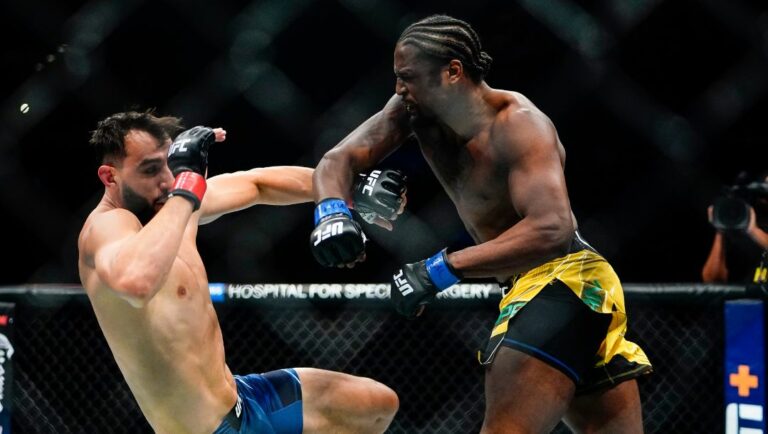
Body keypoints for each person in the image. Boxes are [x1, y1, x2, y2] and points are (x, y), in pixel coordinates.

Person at [309, 15, 652, 433]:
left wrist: (440, 268)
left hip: (564, 281)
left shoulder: (520, 124)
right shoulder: (413, 113)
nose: (399, 90)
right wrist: (331, 213)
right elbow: (337, 160)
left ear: (452, 72)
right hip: (548, 290)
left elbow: (552, 227)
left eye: (409, 78)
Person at [77, 110, 402, 434]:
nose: (167, 180)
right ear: (110, 176)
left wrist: (348, 190)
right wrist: (188, 185)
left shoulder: (175, 204)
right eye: (150, 169)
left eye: (170, 164)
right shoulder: (107, 226)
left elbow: (257, 184)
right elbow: (136, 283)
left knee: (376, 404)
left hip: (245, 399)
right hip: (208, 430)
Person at [702, 173, 768, 286]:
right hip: (750, 301)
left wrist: (753, 230)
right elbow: (712, 280)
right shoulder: (742, 224)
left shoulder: (752, 230)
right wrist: (720, 227)